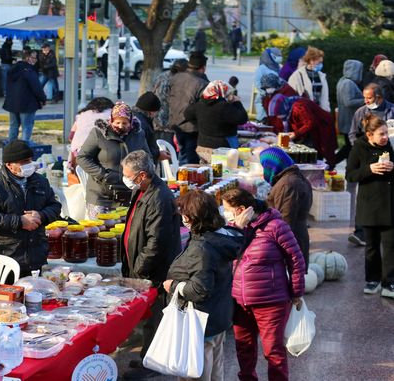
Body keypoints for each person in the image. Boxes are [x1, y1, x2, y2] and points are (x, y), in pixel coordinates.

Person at [223, 188, 306, 381]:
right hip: (239, 303)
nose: (225, 213)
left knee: (273, 352)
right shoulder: (232, 229)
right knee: (244, 350)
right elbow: (226, 253)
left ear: (241, 209)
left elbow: (296, 260)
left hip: (271, 302)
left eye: (227, 209)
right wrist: (238, 229)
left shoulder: (276, 226)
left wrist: (296, 292)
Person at [163, 190, 244, 381]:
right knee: (215, 369)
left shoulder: (203, 247)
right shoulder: (221, 237)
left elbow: (200, 289)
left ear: (193, 217)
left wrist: (174, 286)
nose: (182, 218)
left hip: (200, 323)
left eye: (184, 214)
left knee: (197, 372)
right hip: (218, 316)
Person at [119, 151, 181, 375]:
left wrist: (139, 271)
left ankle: (153, 364)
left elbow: (156, 242)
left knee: (156, 317)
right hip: (142, 266)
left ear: (142, 175)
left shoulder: (158, 197)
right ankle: (147, 355)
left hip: (154, 270)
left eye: (128, 176)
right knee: (149, 318)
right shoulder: (144, 190)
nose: (124, 179)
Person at [0, 140, 61, 277]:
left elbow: (55, 206)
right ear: (9, 165)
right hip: (5, 257)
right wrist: (20, 221)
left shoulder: (40, 181)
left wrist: (41, 215)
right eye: (24, 162)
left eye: (30, 160)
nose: (29, 165)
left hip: (36, 255)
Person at [345, 114, 394, 298]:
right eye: (381, 134)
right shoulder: (359, 148)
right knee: (372, 246)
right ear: (369, 134)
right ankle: (372, 280)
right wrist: (370, 169)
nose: (385, 137)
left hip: (389, 204)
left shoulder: (390, 146)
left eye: (386, 133)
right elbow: (350, 175)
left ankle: (390, 282)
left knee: (390, 245)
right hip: (369, 205)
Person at [77, 102, 151, 219]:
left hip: (129, 193)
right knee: (101, 233)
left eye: (125, 123)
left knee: (124, 233)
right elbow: (82, 157)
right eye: (117, 122)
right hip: (101, 194)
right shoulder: (98, 133)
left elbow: (148, 158)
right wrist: (102, 174)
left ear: (131, 122)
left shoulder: (138, 134)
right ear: (111, 121)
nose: (121, 126)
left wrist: (142, 177)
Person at [259, 147, 313, 260]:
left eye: (264, 166)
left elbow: (285, 221)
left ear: (271, 166)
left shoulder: (288, 185)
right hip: (293, 241)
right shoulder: (291, 178)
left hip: (289, 247)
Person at [185, 80, 249, 163]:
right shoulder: (223, 106)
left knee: (207, 171)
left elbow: (187, 114)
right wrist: (237, 102)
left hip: (203, 147)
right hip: (222, 148)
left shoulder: (199, 105)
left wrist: (201, 121)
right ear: (222, 92)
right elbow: (242, 118)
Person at [271, 95, 337, 169]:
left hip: (323, 126)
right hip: (313, 129)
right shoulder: (290, 107)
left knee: (323, 151)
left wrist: (296, 134)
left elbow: (310, 123)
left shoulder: (299, 107)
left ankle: (325, 171)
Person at [168, 52, 209, 164]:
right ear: (203, 68)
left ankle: (179, 177)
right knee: (190, 161)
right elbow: (204, 107)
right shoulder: (202, 83)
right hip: (191, 127)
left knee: (181, 157)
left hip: (175, 123)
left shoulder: (175, 78)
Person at [3, 49, 47, 143]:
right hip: (27, 104)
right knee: (26, 127)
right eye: (34, 58)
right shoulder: (29, 71)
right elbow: (37, 88)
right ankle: (24, 150)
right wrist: (43, 99)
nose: (35, 61)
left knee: (13, 126)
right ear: (27, 58)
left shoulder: (13, 70)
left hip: (12, 104)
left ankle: (11, 149)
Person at [68, 97, 114, 173]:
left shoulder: (82, 116)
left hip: (78, 154)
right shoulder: (112, 114)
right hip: (102, 155)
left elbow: (71, 137)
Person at [151, 58, 188, 144]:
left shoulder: (162, 76)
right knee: (168, 151)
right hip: (168, 124)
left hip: (155, 120)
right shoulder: (177, 81)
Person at [336, 60, 365, 164]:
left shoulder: (343, 80)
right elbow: (348, 102)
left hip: (346, 119)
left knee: (350, 147)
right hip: (349, 120)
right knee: (350, 147)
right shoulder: (348, 83)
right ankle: (332, 163)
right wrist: (365, 100)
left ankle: (349, 168)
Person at [288, 46, 330, 112]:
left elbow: (324, 98)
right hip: (304, 112)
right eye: (319, 62)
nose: (321, 64)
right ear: (311, 60)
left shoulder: (321, 75)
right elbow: (290, 94)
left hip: (319, 111)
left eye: (321, 62)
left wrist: (326, 112)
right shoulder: (297, 75)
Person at [132, 92, 167, 162]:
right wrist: (158, 155)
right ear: (151, 112)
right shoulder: (143, 125)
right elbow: (143, 149)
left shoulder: (134, 117)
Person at [253, 47, 283, 122]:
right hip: (264, 95)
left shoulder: (279, 67)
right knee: (262, 116)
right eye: (277, 55)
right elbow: (257, 82)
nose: (280, 57)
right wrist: (265, 92)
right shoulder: (262, 68)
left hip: (278, 95)